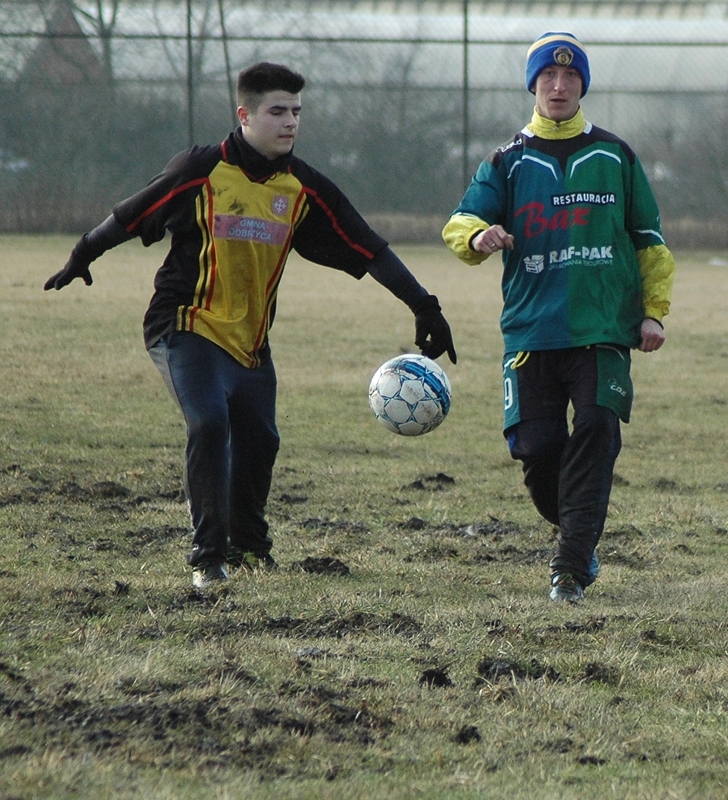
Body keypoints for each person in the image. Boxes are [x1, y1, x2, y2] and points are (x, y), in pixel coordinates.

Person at [44, 62, 456, 590]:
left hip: (251, 342)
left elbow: (369, 248)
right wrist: (83, 253)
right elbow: (130, 214)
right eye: (277, 111)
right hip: (185, 324)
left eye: (297, 112)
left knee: (261, 441)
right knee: (209, 424)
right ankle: (208, 558)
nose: (290, 122)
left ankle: (249, 546)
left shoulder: (302, 187)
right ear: (244, 115)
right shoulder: (200, 169)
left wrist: (425, 306)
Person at [442, 32, 675, 603]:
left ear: (582, 85)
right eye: (548, 75)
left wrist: (652, 313)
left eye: (570, 76)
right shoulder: (507, 161)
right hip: (531, 331)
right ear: (534, 85)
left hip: (602, 329)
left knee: (596, 430)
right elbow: (459, 221)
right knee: (538, 449)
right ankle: (579, 531)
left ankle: (568, 568)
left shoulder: (615, 155)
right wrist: (478, 235)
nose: (559, 85)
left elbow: (649, 241)